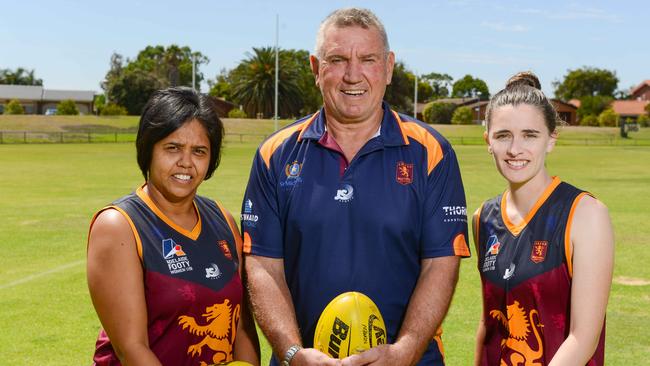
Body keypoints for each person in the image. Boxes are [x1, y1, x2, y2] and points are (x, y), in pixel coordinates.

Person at [241, 8, 470, 366]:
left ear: (389, 66)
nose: (352, 75)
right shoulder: (275, 154)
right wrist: (291, 353)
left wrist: (405, 351)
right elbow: (263, 265)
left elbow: (439, 264)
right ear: (316, 69)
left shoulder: (431, 152)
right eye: (337, 59)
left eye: (367, 59)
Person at [87, 87, 260, 365]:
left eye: (199, 151)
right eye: (173, 148)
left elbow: (241, 328)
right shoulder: (119, 225)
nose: (186, 163)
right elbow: (131, 349)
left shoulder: (223, 219)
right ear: (149, 149)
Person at [473, 72, 614, 365]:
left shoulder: (585, 214)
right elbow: (488, 325)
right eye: (503, 135)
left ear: (551, 139)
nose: (515, 149)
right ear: (488, 141)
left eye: (530, 135)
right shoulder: (483, 218)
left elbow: (583, 337)